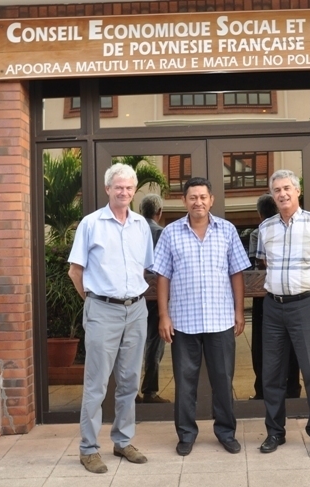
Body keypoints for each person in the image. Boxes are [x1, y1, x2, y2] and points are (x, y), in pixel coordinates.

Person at [152, 177, 250, 457]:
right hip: (183, 322)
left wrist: (239, 311)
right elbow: (162, 276)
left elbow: (237, 273)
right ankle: (186, 434)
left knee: (223, 380)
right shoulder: (170, 233)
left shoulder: (228, 231)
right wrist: (163, 315)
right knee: (185, 383)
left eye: (203, 197)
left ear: (211, 200)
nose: (198, 202)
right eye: (193, 197)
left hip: (221, 320)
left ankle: (226, 433)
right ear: (184, 201)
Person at [68, 163, 153, 474]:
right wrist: (95, 301)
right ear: (107, 189)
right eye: (118, 187)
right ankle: (88, 448)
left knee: (130, 381)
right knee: (97, 383)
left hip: (136, 310)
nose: (124, 192)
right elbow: (75, 271)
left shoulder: (141, 225)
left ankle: (123, 441)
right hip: (103, 309)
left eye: (129, 187)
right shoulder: (91, 224)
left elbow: (143, 267)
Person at [257, 169, 310, 457]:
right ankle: (275, 433)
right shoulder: (265, 228)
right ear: (273, 194)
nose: (282, 194)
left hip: (305, 305)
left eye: (287, 188)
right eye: (277, 190)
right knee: (272, 374)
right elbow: (266, 263)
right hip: (273, 307)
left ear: (297, 190)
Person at [248, 194, 302, 401]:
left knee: (262, 345)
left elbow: (258, 265)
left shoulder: (258, 232)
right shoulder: (292, 231)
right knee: (291, 343)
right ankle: (292, 388)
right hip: (291, 293)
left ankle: (263, 390)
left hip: (264, 294)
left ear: (260, 214)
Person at [137, 193, 170, 404]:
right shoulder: (162, 233)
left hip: (134, 294)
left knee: (133, 343)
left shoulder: (133, 231)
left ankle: (129, 393)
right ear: (159, 213)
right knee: (154, 343)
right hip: (156, 294)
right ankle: (149, 390)